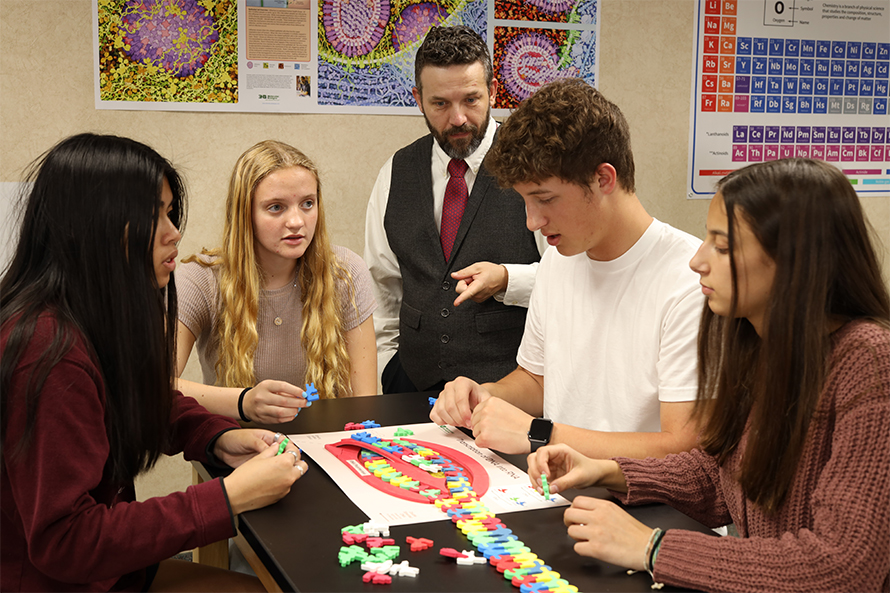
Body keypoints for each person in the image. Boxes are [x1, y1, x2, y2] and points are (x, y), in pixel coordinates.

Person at [528, 158, 890, 592]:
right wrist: (608, 471)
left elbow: (844, 566)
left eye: (721, 246)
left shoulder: (870, 364)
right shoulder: (759, 343)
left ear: (791, 260)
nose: (698, 261)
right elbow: (725, 480)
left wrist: (652, 547)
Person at [1, 133, 308, 592]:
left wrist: (216, 437)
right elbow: (66, 540)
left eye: (169, 213)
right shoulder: (47, 352)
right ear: (94, 228)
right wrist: (227, 496)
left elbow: (143, 398)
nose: (174, 233)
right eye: (153, 217)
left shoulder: (93, 312)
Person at [431, 78, 704, 459]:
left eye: (545, 199)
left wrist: (538, 433)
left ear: (604, 179)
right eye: (526, 201)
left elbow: (684, 446)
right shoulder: (559, 261)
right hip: (564, 492)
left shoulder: (692, 280)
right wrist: (484, 395)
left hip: (651, 508)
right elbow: (539, 381)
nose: (532, 222)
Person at [364, 25, 546, 394]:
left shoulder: (536, 165)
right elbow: (382, 286)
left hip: (509, 392)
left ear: (493, 92)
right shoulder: (395, 172)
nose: (459, 118)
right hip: (411, 384)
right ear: (418, 99)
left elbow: (575, 279)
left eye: (471, 100)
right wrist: (387, 368)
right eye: (441, 104)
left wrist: (508, 280)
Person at [177, 140, 377, 424]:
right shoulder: (201, 278)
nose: (297, 221)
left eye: (308, 204)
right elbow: (154, 385)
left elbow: (364, 405)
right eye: (276, 207)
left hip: (326, 447)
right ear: (244, 214)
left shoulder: (345, 272)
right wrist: (243, 402)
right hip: (233, 448)